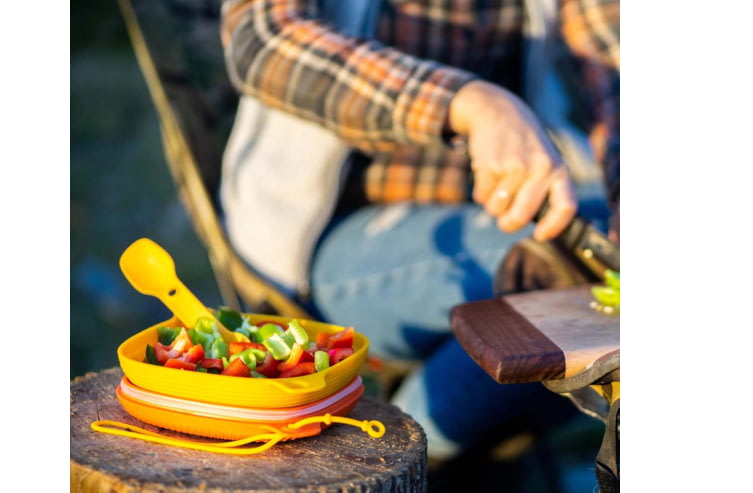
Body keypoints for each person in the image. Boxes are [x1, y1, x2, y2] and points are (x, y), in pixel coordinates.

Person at [218, 0, 619, 460]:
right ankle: (387, 456)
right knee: (562, 267)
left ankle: (403, 449)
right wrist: (469, 103)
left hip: (494, 219)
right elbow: (263, 37)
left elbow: (617, 55)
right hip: (330, 236)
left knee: (588, 273)